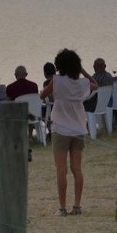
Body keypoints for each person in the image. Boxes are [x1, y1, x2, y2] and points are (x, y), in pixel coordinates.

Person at [40, 49, 97, 217]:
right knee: (76, 169)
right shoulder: (82, 84)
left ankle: (62, 207)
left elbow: (43, 95)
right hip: (78, 128)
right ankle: (77, 206)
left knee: (61, 169)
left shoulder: (57, 81)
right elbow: (95, 84)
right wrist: (83, 71)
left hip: (60, 129)